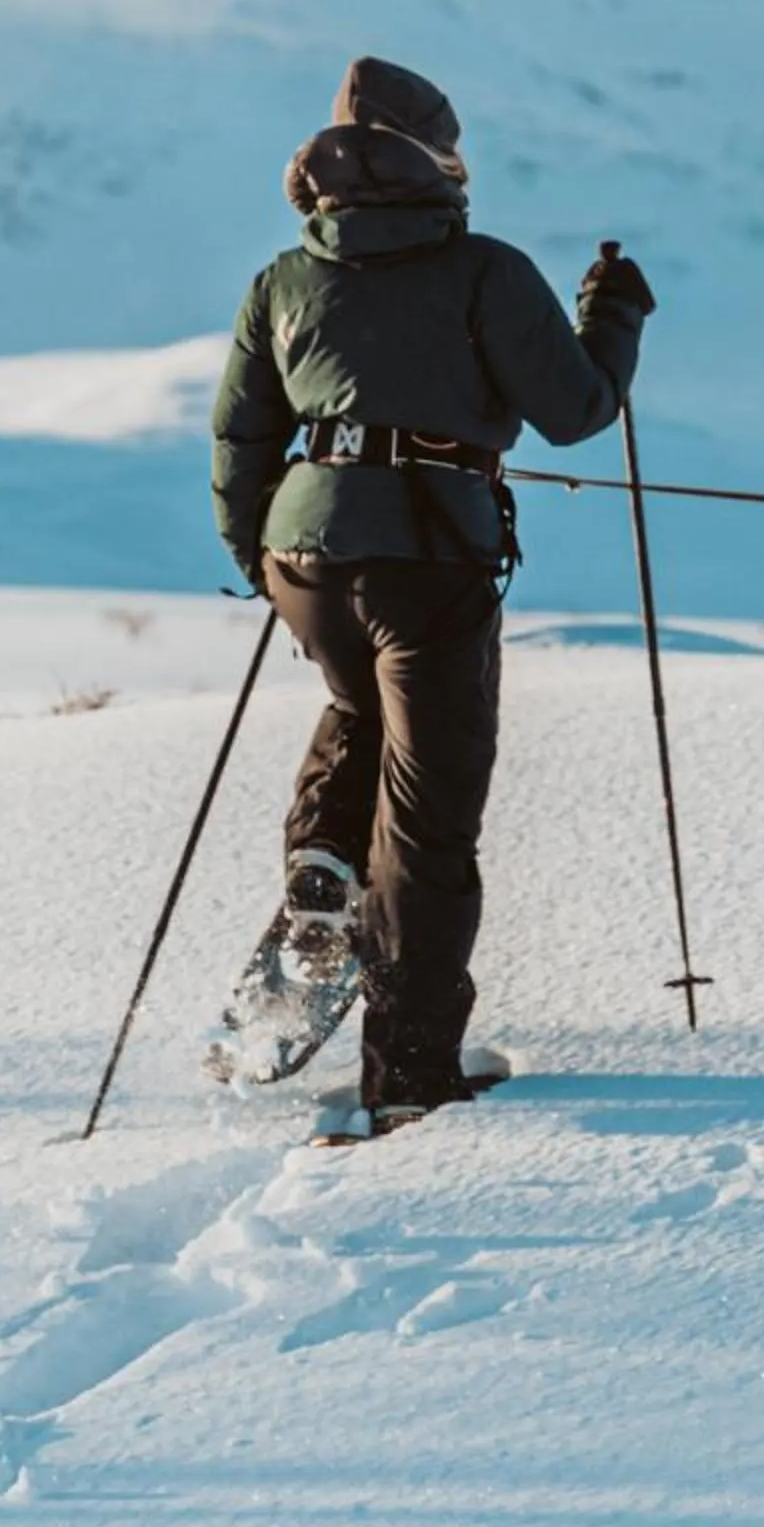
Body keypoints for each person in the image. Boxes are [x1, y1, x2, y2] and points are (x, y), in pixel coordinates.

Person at [210, 57, 654, 1128]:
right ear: (441, 160)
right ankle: (409, 1073)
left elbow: (241, 438)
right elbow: (576, 408)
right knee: (429, 817)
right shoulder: (483, 270)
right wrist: (616, 313)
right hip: (430, 561)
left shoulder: (280, 279)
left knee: (360, 710)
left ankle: (323, 865)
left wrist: (261, 564)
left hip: (306, 554)